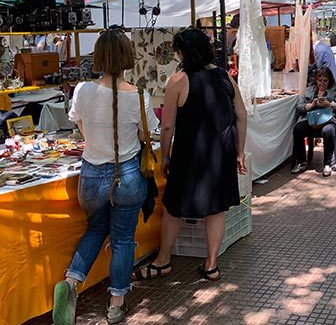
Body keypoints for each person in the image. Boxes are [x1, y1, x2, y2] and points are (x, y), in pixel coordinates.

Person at [53, 29, 159, 325]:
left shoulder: (83, 90)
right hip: (126, 175)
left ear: (98, 56)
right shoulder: (140, 96)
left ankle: (71, 283)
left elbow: (82, 128)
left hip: (91, 175)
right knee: (124, 240)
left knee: (95, 229)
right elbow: (145, 134)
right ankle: (115, 304)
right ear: (127, 58)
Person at [133, 28, 247, 283]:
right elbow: (242, 114)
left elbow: (167, 126)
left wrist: (164, 157)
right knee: (215, 209)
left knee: (174, 207)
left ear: (183, 52)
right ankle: (211, 265)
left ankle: (163, 261)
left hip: (189, 155)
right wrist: (239, 151)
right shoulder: (225, 77)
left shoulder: (178, 81)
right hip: (221, 155)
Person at [291, 66, 336, 176]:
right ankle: (302, 161)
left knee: (328, 131)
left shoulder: (335, 90)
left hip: (330, 120)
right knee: (298, 129)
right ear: (316, 80)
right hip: (311, 119)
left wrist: (330, 104)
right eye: (320, 80)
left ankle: (327, 163)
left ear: (329, 80)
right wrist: (311, 105)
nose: (322, 83)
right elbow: (299, 106)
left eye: (325, 81)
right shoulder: (310, 89)